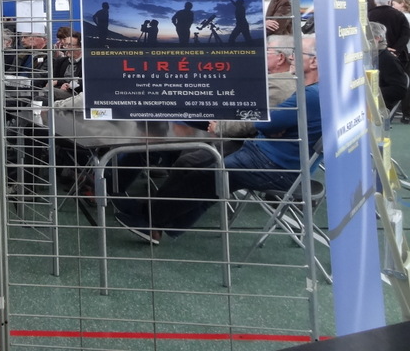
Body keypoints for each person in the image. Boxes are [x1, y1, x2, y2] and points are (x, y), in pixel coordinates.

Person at [115, 34, 322, 244]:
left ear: (314, 61)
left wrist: (267, 124)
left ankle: (149, 219)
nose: (292, 57)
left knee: (204, 176)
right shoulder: (313, 90)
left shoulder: (309, 94)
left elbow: (263, 121)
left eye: (298, 53)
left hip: (272, 164)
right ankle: (158, 222)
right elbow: (268, 121)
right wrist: (271, 124)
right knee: (205, 177)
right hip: (267, 153)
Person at [368, 21, 410, 118]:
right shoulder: (376, 56)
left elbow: (399, 89)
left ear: (377, 38)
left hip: (377, 107)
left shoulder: (387, 59)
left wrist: (371, 93)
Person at [368, 0, 410, 75]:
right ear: (389, 1)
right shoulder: (399, 15)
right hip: (399, 57)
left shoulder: (369, 15)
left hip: (376, 57)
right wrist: (396, 50)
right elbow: (405, 35)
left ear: (375, 1)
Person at [53, 28, 82, 94]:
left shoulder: (86, 63)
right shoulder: (60, 61)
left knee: (49, 93)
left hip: (76, 93)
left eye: (70, 45)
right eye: (66, 45)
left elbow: (82, 83)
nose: (66, 48)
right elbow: (54, 80)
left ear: (80, 47)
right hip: (59, 90)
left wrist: (67, 85)